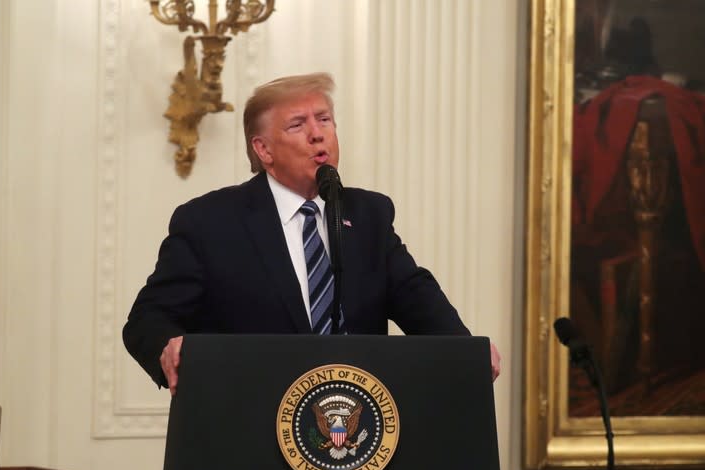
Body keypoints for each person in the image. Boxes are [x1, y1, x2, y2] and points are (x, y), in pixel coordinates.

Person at [123, 72, 501, 394]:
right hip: (249, 424)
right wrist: (167, 348)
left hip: (356, 430)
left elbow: (417, 298)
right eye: (298, 125)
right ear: (264, 150)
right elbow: (147, 320)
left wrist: (465, 352)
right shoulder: (210, 221)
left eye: (324, 119)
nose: (317, 135)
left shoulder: (368, 215)